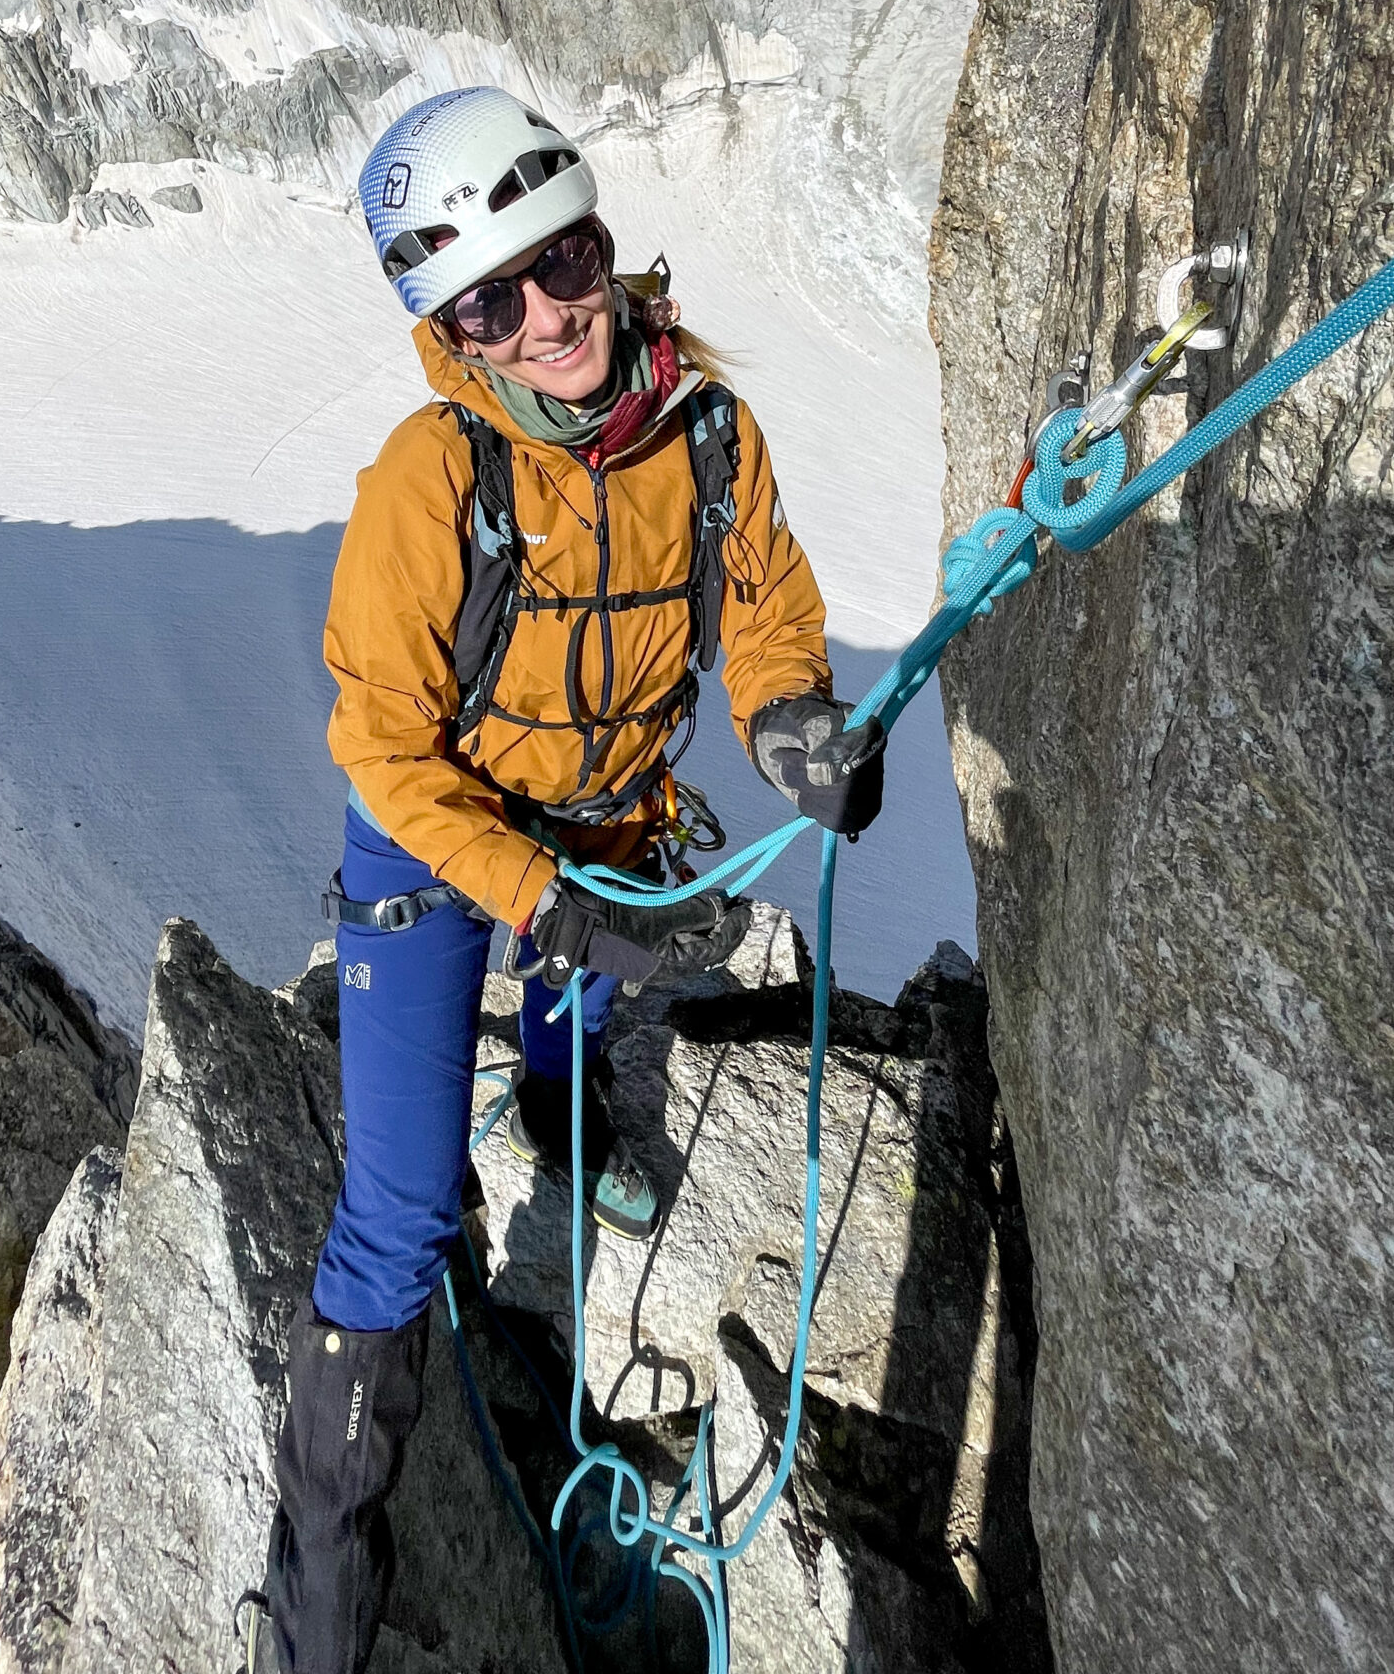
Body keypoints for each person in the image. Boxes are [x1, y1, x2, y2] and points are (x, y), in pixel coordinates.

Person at [262, 86, 886, 1673]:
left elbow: (759, 614)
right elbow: (384, 748)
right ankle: (317, 1610)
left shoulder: (708, 432)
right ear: (452, 329)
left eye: (568, 259)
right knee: (397, 1217)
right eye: (493, 297)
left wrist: (795, 719)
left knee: (583, 1007)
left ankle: (553, 1109)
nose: (549, 314)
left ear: (605, 242)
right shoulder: (432, 477)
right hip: (436, 838)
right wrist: (543, 897)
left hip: (603, 812)